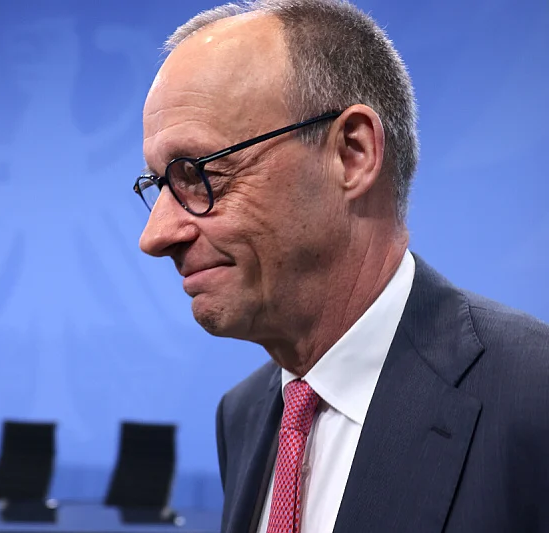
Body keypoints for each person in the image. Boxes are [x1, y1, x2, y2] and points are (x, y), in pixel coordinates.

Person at [132, 1, 549, 532]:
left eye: (197, 174)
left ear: (353, 154)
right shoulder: (242, 416)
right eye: (159, 185)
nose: (156, 236)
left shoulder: (532, 396)